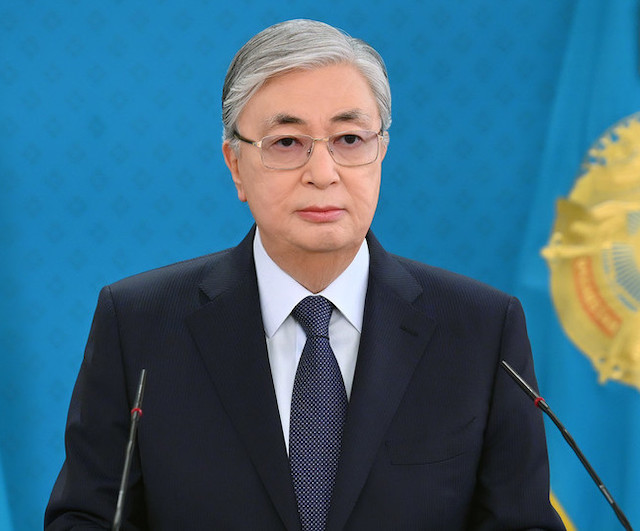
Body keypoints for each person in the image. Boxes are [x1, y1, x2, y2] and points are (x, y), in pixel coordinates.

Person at [45, 19, 565, 530]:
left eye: (349, 139)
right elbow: (84, 518)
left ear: (381, 152)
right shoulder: (139, 324)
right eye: (287, 143)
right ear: (235, 165)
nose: (322, 173)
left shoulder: (480, 329)